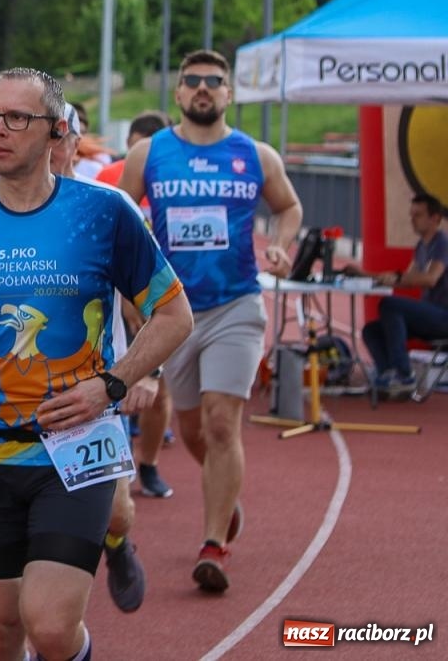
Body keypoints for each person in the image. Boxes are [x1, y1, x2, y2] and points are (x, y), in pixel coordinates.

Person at [0, 67, 193, 661]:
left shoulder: (105, 212)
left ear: (55, 133)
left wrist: (114, 384)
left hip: (76, 443)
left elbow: (175, 316)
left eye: (15, 118)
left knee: (48, 626)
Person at [121, 49, 303, 594]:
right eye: (192, 81)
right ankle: (226, 500)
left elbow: (288, 207)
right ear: (177, 93)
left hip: (236, 305)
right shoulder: (148, 154)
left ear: (228, 94)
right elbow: (120, 221)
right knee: (197, 432)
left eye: (214, 82)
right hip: (173, 312)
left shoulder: (256, 154)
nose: (203, 89)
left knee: (224, 424)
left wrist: (282, 245)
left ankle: (213, 544)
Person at [52, 105, 160, 614]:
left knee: (116, 511)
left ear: (76, 141)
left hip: (96, 390)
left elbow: (152, 301)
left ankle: (117, 544)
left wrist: (147, 372)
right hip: (13, 398)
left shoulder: (110, 205)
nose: (49, 144)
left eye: (59, 134)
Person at [96, 110, 178, 499]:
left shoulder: (179, 176)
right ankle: (120, 458)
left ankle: (150, 463)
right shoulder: (109, 179)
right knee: (118, 374)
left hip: (163, 290)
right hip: (118, 292)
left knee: (159, 385)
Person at [359, 193, 448, 394]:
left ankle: (403, 373)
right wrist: (364, 275)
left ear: (435, 218)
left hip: (443, 316)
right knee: (371, 330)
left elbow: (430, 278)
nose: (412, 220)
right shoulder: (421, 246)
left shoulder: (442, 243)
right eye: (411, 215)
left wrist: (397, 278)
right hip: (433, 315)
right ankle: (387, 373)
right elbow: (406, 278)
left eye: (418, 215)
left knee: (389, 305)